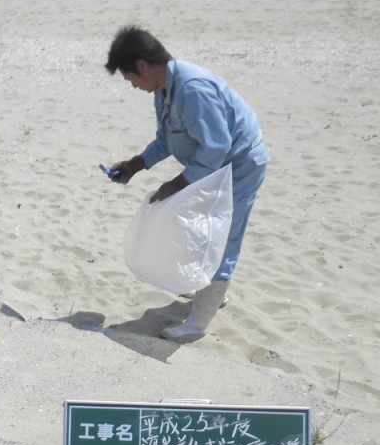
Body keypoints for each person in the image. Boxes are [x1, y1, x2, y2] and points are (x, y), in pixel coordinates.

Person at [105, 26, 269, 341]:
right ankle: (213, 294)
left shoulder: (193, 89)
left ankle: (196, 325)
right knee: (201, 229)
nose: (134, 87)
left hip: (240, 166)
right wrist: (135, 165)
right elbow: (167, 138)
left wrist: (179, 183)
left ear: (142, 66)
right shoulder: (164, 89)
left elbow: (216, 146)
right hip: (211, 168)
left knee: (223, 236)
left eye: (131, 80)